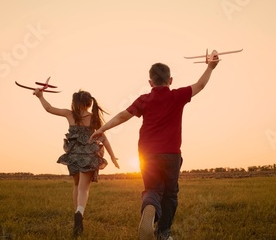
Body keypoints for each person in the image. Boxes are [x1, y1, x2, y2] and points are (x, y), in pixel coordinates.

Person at [90, 58, 220, 240]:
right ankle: (163, 233)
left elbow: (122, 116)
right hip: (172, 154)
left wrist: (102, 129)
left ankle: (150, 206)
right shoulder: (177, 95)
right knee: (170, 194)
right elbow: (200, 85)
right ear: (170, 80)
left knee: (152, 189)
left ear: (150, 82)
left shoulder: (145, 99)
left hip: (147, 153)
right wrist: (210, 66)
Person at [33, 88, 120, 238]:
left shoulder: (69, 114)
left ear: (75, 103)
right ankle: (79, 212)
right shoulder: (93, 118)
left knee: (76, 186)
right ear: (89, 103)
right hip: (89, 156)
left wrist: (40, 96)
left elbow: (49, 108)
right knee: (83, 189)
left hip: (73, 155)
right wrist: (112, 156)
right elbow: (103, 138)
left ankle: (77, 214)